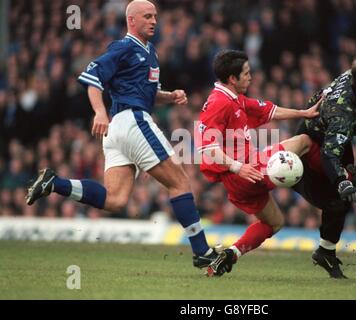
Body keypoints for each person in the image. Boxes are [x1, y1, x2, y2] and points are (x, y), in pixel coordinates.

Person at [25, 0, 218, 270]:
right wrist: (99, 113)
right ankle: (202, 252)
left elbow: (147, 94)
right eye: (147, 16)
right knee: (180, 182)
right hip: (131, 120)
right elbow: (92, 79)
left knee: (115, 200)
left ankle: (54, 184)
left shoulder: (150, 52)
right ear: (131, 21)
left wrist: (169, 96)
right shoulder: (123, 47)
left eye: (155, 16)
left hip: (119, 129)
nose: (153, 21)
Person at [194, 49, 322, 277]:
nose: (250, 77)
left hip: (242, 182)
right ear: (233, 79)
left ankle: (232, 253)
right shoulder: (218, 104)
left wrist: (302, 113)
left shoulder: (235, 99)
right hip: (246, 170)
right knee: (304, 141)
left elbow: (270, 111)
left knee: (275, 223)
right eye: (246, 73)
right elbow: (206, 149)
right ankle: (340, 179)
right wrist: (238, 167)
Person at [291, 53, 356, 278]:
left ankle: (325, 251)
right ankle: (325, 252)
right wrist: (343, 182)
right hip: (314, 146)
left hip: (337, 140)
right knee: (336, 201)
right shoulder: (342, 112)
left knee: (341, 201)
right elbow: (328, 155)